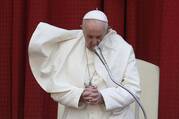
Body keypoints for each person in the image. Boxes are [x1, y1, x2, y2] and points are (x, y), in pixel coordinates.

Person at [28, 10, 141, 119]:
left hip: (115, 116)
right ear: (82, 29)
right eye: (90, 36)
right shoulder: (67, 48)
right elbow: (56, 89)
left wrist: (104, 97)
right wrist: (80, 95)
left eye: (99, 37)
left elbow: (133, 89)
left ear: (107, 30)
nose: (94, 42)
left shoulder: (123, 49)